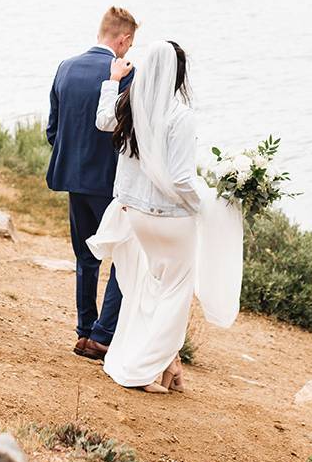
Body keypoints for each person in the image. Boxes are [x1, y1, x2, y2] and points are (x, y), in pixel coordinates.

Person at [88, 40, 242, 394]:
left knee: (150, 288)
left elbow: (101, 119)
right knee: (174, 295)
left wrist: (112, 81)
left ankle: (166, 366)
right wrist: (209, 205)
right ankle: (141, 371)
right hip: (171, 221)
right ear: (179, 76)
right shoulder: (181, 117)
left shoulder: (129, 106)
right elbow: (182, 178)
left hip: (137, 216)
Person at [46, 7, 138, 360]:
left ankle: (85, 330)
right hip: (109, 183)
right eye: (130, 43)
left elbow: (53, 130)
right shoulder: (124, 74)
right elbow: (128, 131)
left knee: (86, 257)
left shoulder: (65, 67)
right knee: (124, 255)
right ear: (123, 39)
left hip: (72, 179)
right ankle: (102, 335)